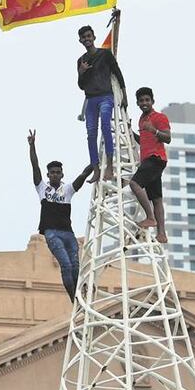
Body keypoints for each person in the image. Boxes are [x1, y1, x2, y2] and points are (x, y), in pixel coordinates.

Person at [29, 129, 95, 302]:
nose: (55, 174)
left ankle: (81, 297)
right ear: (48, 175)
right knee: (65, 265)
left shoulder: (67, 190)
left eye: (58, 172)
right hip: (52, 233)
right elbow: (35, 166)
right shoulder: (43, 189)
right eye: (52, 172)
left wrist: (96, 159)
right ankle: (74, 300)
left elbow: (83, 174)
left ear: (62, 174)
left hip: (68, 233)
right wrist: (32, 146)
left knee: (75, 267)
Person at [76, 23, 127, 181]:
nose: (87, 39)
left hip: (106, 96)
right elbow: (81, 85)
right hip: (91, 99)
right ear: (80, 40)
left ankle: (110, 167)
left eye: (89, 36)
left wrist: (124, 94)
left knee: (106, 124)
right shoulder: (81, 60)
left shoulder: (105, 54)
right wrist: (82, 72)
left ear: (94, 37)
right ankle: (96, 169)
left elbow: (117, 72)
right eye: (84, 37)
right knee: (91, 134)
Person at [127, 86, 171, 242]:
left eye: (147, 100)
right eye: (141, 100)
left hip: (156, 158)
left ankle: (150, 217)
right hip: (149, 160)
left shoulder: (159, 117)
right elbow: (144, 141)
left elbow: (167, 138)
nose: (144, 103)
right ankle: (162, 233)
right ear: (137, 103)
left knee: (134, 184)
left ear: (153, 101)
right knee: (157, 198)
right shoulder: (142, 120)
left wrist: (154, 130)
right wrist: (130, 132)